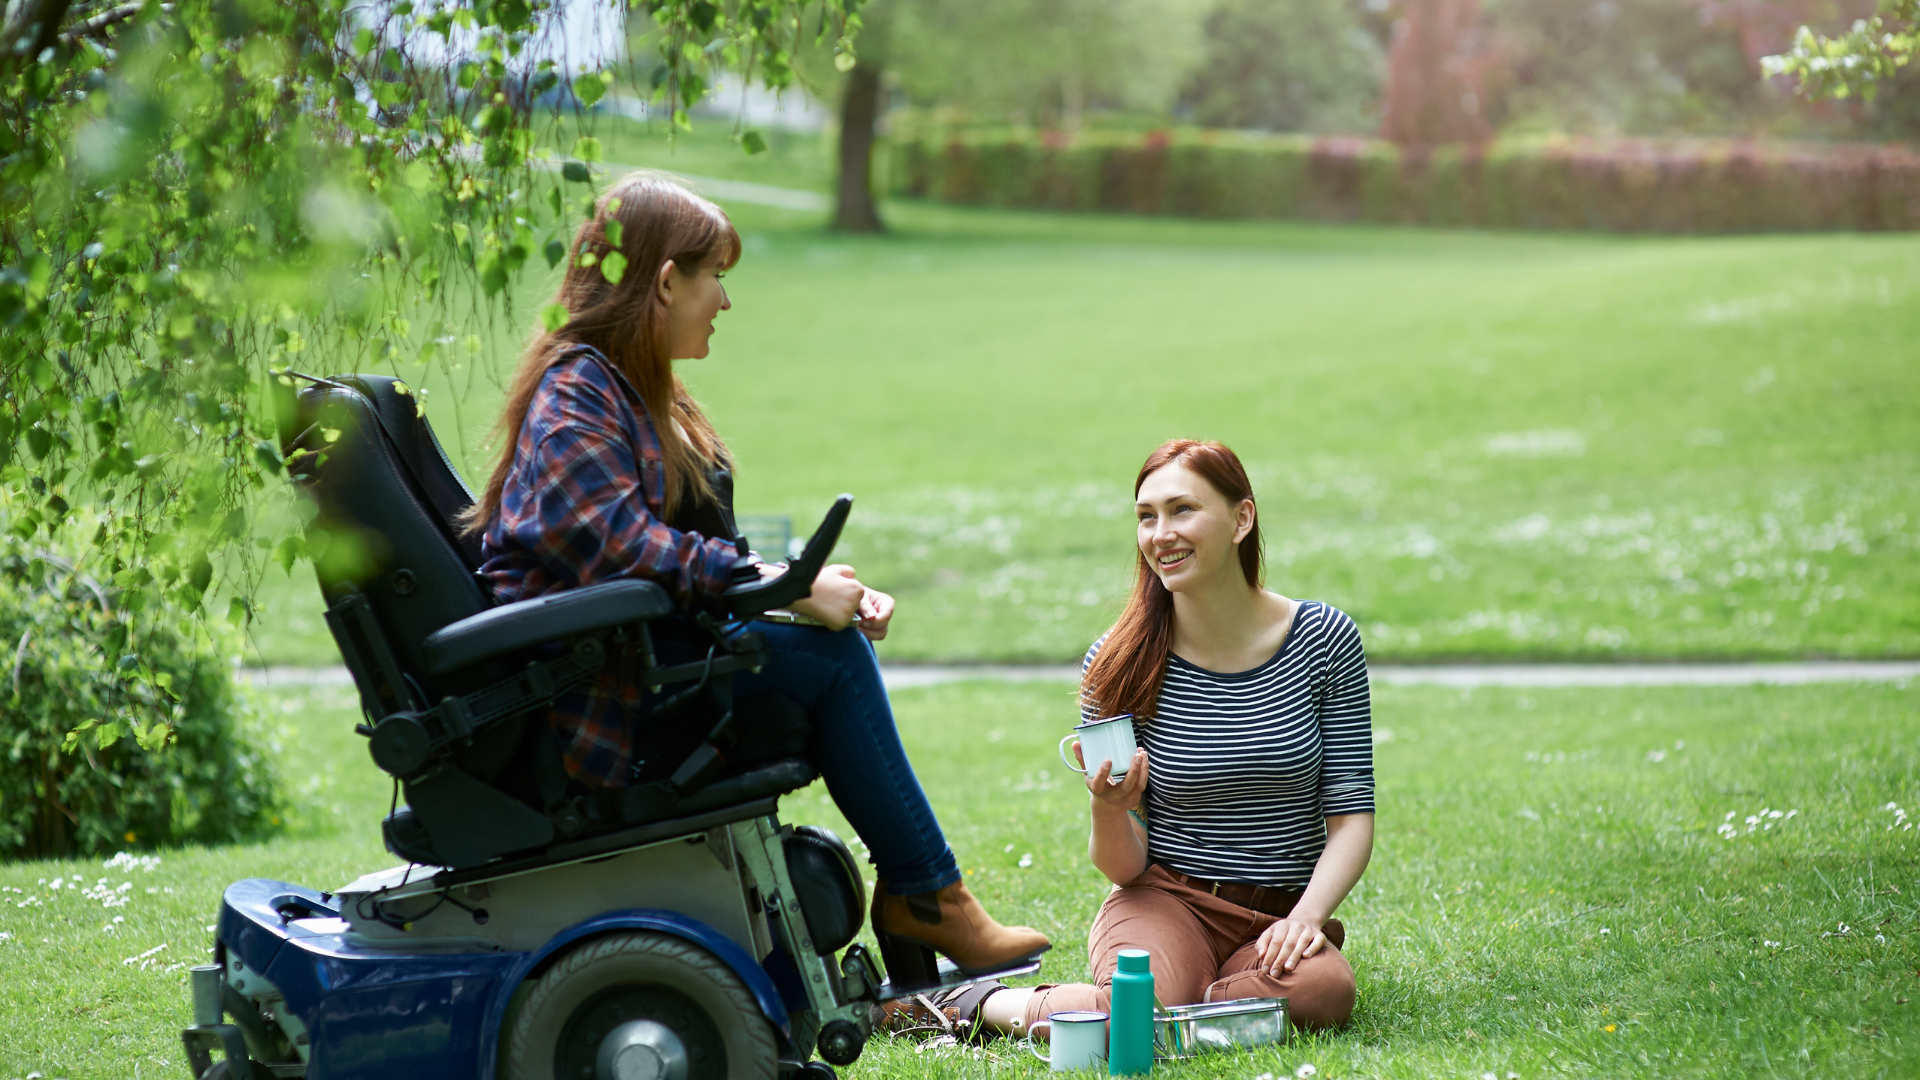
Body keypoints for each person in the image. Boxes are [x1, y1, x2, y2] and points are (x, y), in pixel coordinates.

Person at [462, 169, 1048, 976]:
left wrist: (792, 585)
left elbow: (670, 551)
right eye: (716, 280)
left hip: (636, 660)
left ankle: (921, 917)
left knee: (836, 649)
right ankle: (926, 897)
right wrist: (793, 592)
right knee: (837, 664)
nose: (725, 303)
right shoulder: (577, 394)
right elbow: (618, 544)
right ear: (666, 280)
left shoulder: (625, 389)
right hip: (598, 697)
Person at [902, 438, 1373, 1040]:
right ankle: (966, 999)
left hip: (1280, 913)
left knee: (1324, 989)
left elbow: (1353, 815)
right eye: (1146, 517)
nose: (1161, 534)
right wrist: (1107, 805)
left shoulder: (1323, 639)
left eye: (1182, 510)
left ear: (1241, 519)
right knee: (1121, 1015)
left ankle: (1161, 1012)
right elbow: (1122, 866)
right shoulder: (1117, 663)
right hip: (1168, 902)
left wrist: (1308, 917)